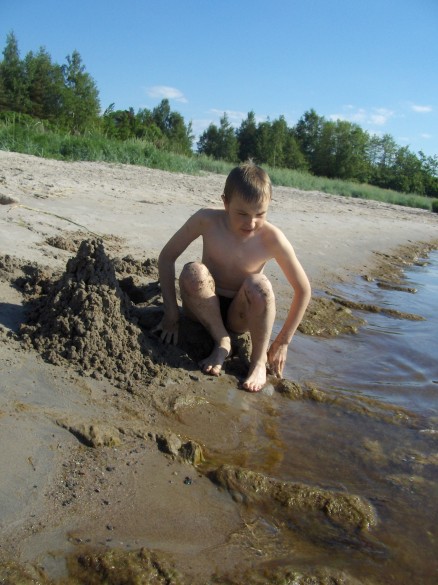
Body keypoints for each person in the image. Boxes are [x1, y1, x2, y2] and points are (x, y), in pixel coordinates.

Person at [155, 162, 311, 392]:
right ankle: (222, 341)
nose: (251, 223)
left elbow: (303, 290)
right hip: (201, 306)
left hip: (239, 314)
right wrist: (171, 313)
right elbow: (167, 257)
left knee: (260, 284)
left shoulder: (272, 238)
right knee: (193, 271)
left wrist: (283, 341)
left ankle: (258, 362)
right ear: (225, 203)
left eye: (260, 214)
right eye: (242, 214)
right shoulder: (206, 220)